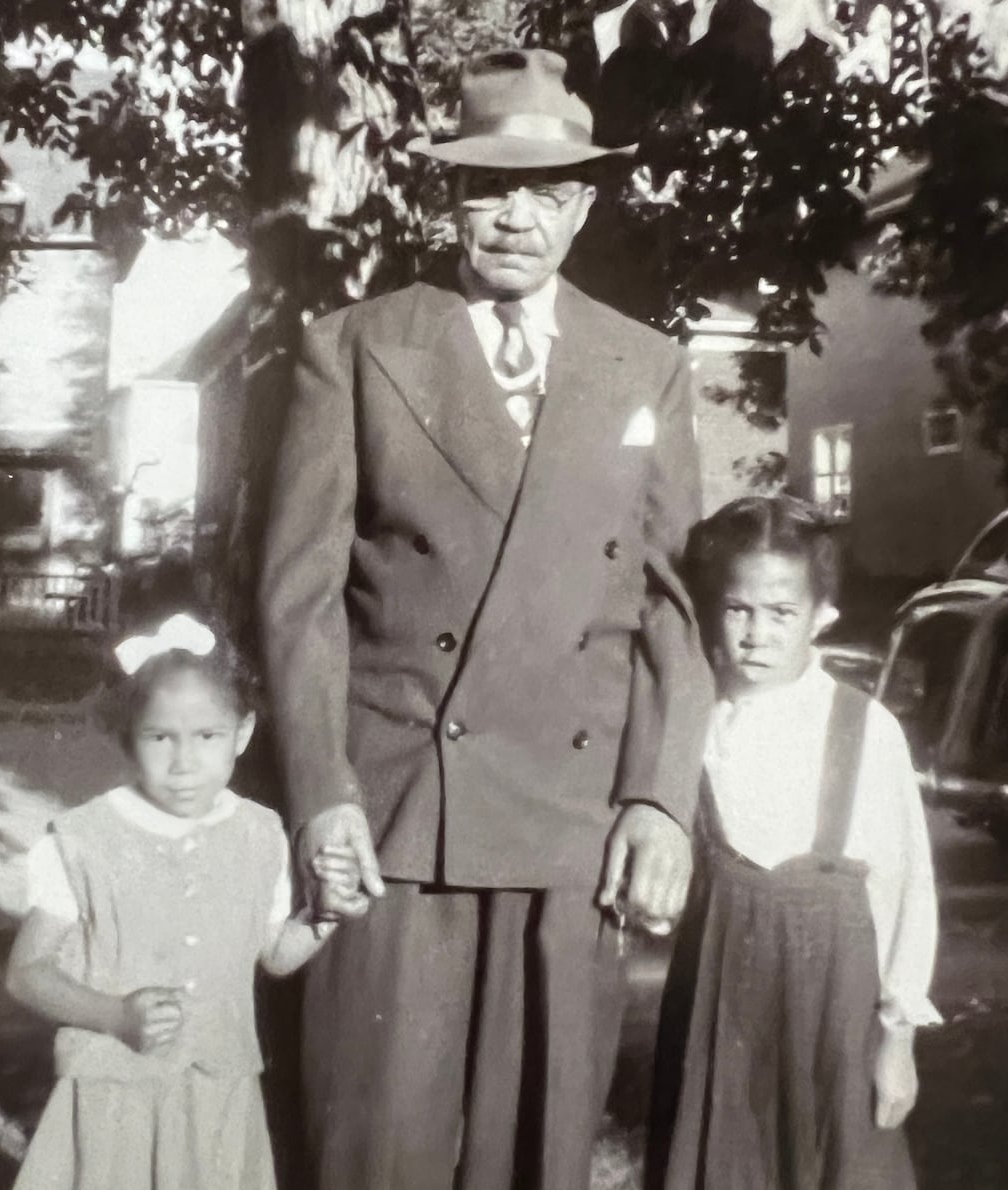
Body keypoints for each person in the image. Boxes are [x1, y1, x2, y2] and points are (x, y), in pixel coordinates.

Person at [260, 46, 713, 1190]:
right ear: (446, 196)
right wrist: (320, 794)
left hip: (570, 825)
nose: (515, 217)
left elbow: (671, 605)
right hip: (395, 813)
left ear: (583, 205)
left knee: (538, 1150)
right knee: (374, 1145)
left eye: (545, 191)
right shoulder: (355, 346)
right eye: (487, 188)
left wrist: (657, 795)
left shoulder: (644, 367)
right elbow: (297, 594)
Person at [5, 613, 359, 1190]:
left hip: (216, 1100)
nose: (184, 763)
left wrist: (321, 919)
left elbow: (273, 952)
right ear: (126, 735)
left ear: (242, 733)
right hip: (113, 1099)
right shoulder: (83, 841)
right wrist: (115, 1016)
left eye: (207, 737)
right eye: (160, 737)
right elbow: (26, 975)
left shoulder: (259, 833)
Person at [648, 496, 940, 1190]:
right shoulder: (694, 723)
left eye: (780, 613)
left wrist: (897, 1038)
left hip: (836, 1019)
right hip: (719, 1009)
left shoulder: (861, 727)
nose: (757, 634)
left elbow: (907, 890)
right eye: (738, 609)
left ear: (821, 616)